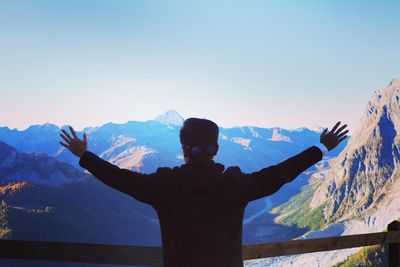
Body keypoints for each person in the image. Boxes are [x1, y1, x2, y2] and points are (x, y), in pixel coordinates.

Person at [59, 118, 348, 267]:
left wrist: (85, 156)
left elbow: (120, 179)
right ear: (216, 149)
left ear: (183, 150)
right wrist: (321, 148)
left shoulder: (164, 185)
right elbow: (280, 174)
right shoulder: (236, 185)